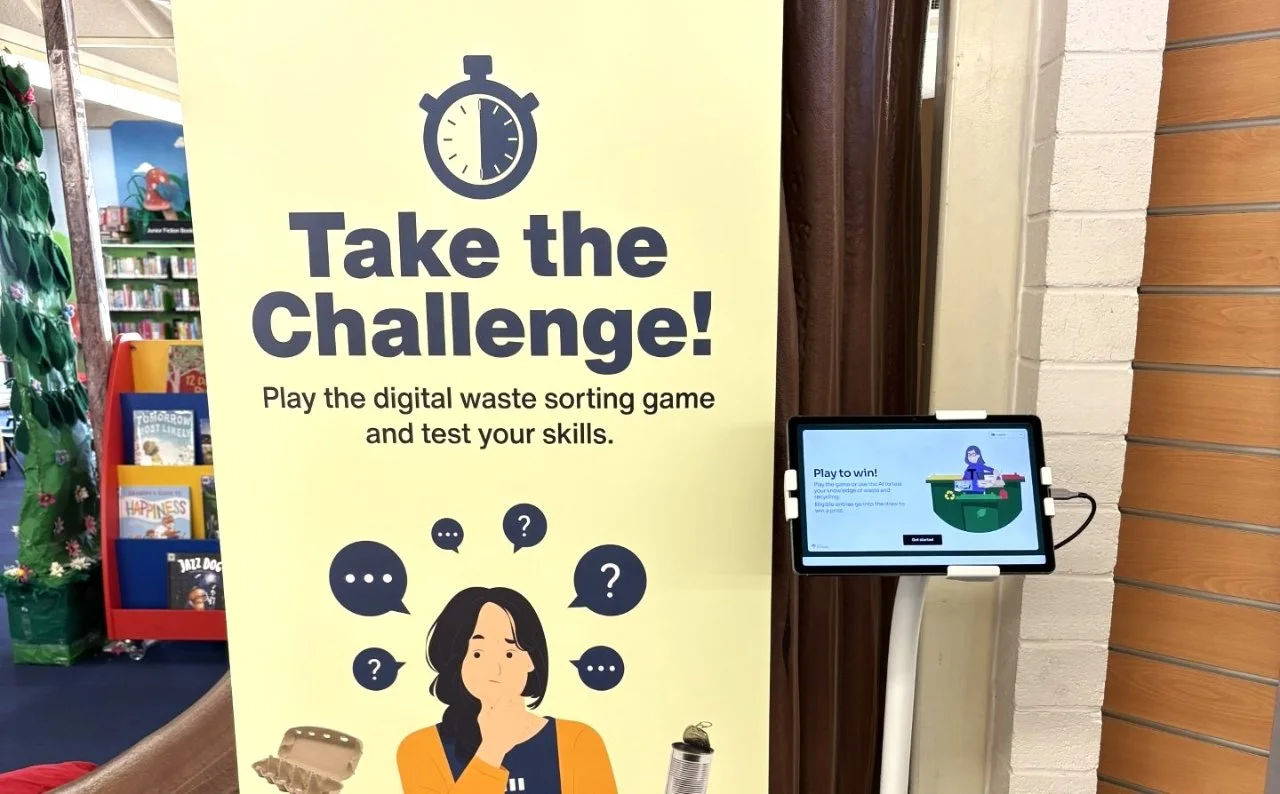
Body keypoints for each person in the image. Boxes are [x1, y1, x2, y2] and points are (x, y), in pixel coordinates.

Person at [397, 587, 617, 794]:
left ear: (531, 661)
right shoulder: (421, 749)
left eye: (509, 653)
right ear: (456, 661)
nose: (495, 669)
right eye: (477, 654)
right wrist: (492, 749)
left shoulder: (578, 742)